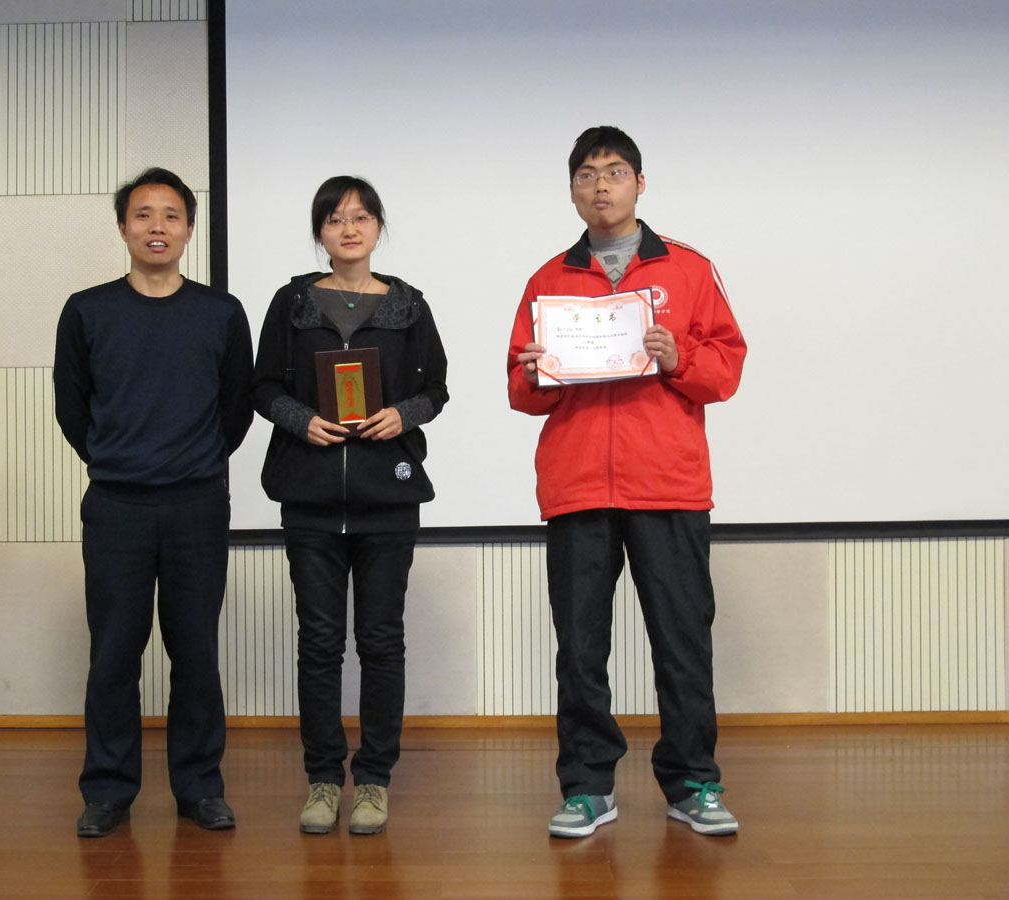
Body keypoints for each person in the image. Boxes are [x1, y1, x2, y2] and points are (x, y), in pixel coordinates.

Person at [507, 126, 747, 838]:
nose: (601, 186)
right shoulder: (549, 280)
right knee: (580, 648)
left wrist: (679, 358)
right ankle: (587, 787)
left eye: (614, 172)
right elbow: (521, 391)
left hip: (667, 484)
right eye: (586, 175)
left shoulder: (689, 269)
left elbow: (726, 369)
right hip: (578, 485)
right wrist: (534, 372)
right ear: (572, 190)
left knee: (682, 641)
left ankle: (693, 782)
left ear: (640, 183)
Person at [54, 167, 253, 838]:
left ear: (190, 229)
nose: (157, 226)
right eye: (143, 214)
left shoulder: (221, 312)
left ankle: (199, 787)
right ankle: (108, 791)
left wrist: (193, 460)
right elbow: (73, 407)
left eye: (171, 215)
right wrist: (119, 458)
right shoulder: (87, 310)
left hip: (198, 503)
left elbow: (235, 409)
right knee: (114, 654)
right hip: (117, 506)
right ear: (123, 228)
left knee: (195, 653)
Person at [251, 176, 448, 835]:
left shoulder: (409, 305)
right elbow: (263, 386)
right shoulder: (292, 303)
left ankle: (373, 781)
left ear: (378, 227)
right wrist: (300, 420)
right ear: (320, 233)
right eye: (335, 219)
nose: (349, 228)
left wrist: (403, 414)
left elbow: (437, 389)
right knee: (319, 642)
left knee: (381, 640)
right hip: (310, 496)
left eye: (360, 217)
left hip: (386, 496)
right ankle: (322, 780)